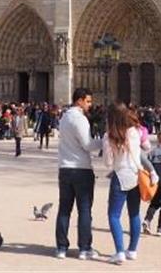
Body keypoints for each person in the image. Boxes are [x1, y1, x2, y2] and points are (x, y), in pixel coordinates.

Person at [103, 103, 154, 265]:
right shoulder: (135, 132)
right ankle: (132, 250)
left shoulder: (109, 135)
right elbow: (147, 147)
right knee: (134, 213)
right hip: (136, 175)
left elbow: (108, 162)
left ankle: (119, 252)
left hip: (120, 176)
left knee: (114, 215)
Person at [55, 88, 100, 260]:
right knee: (84, 210)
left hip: (64, 169)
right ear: (79, 100)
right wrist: (105, 142)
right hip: (81, 169)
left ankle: (61, 248)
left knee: (64, 210)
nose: (90, 104)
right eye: (88, 101)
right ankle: (84, 248)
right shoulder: (79, 119)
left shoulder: (64, 117)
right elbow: (87, 145)